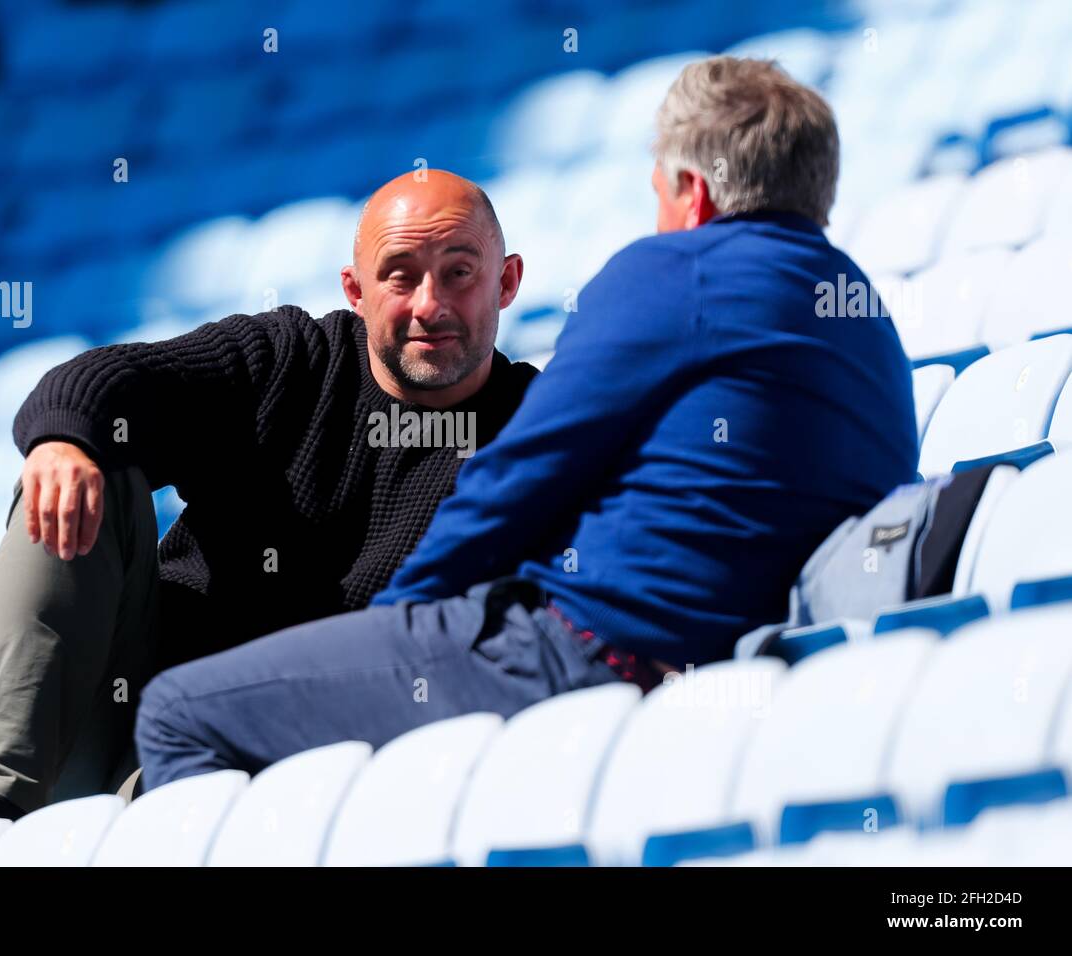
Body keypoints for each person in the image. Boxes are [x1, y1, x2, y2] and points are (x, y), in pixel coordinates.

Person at [131, 56, 919, 788]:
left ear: (696, 193)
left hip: (582, 651)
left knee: (174, 713)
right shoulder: (868, 321)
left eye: (658, 190)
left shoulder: (675, 272)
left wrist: (391, 627)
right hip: (741, 675)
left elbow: (516, 479)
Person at [0, 169, 538, 849]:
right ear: (356, 290)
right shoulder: (295, 359)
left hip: (283, 775)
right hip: (116, 719)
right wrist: (61, 439)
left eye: (459, 272)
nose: (430, 304)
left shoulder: (543, 433)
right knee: (80, 462)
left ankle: (153, 813)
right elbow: (102, 382)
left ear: (507, 281)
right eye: (400, 277)